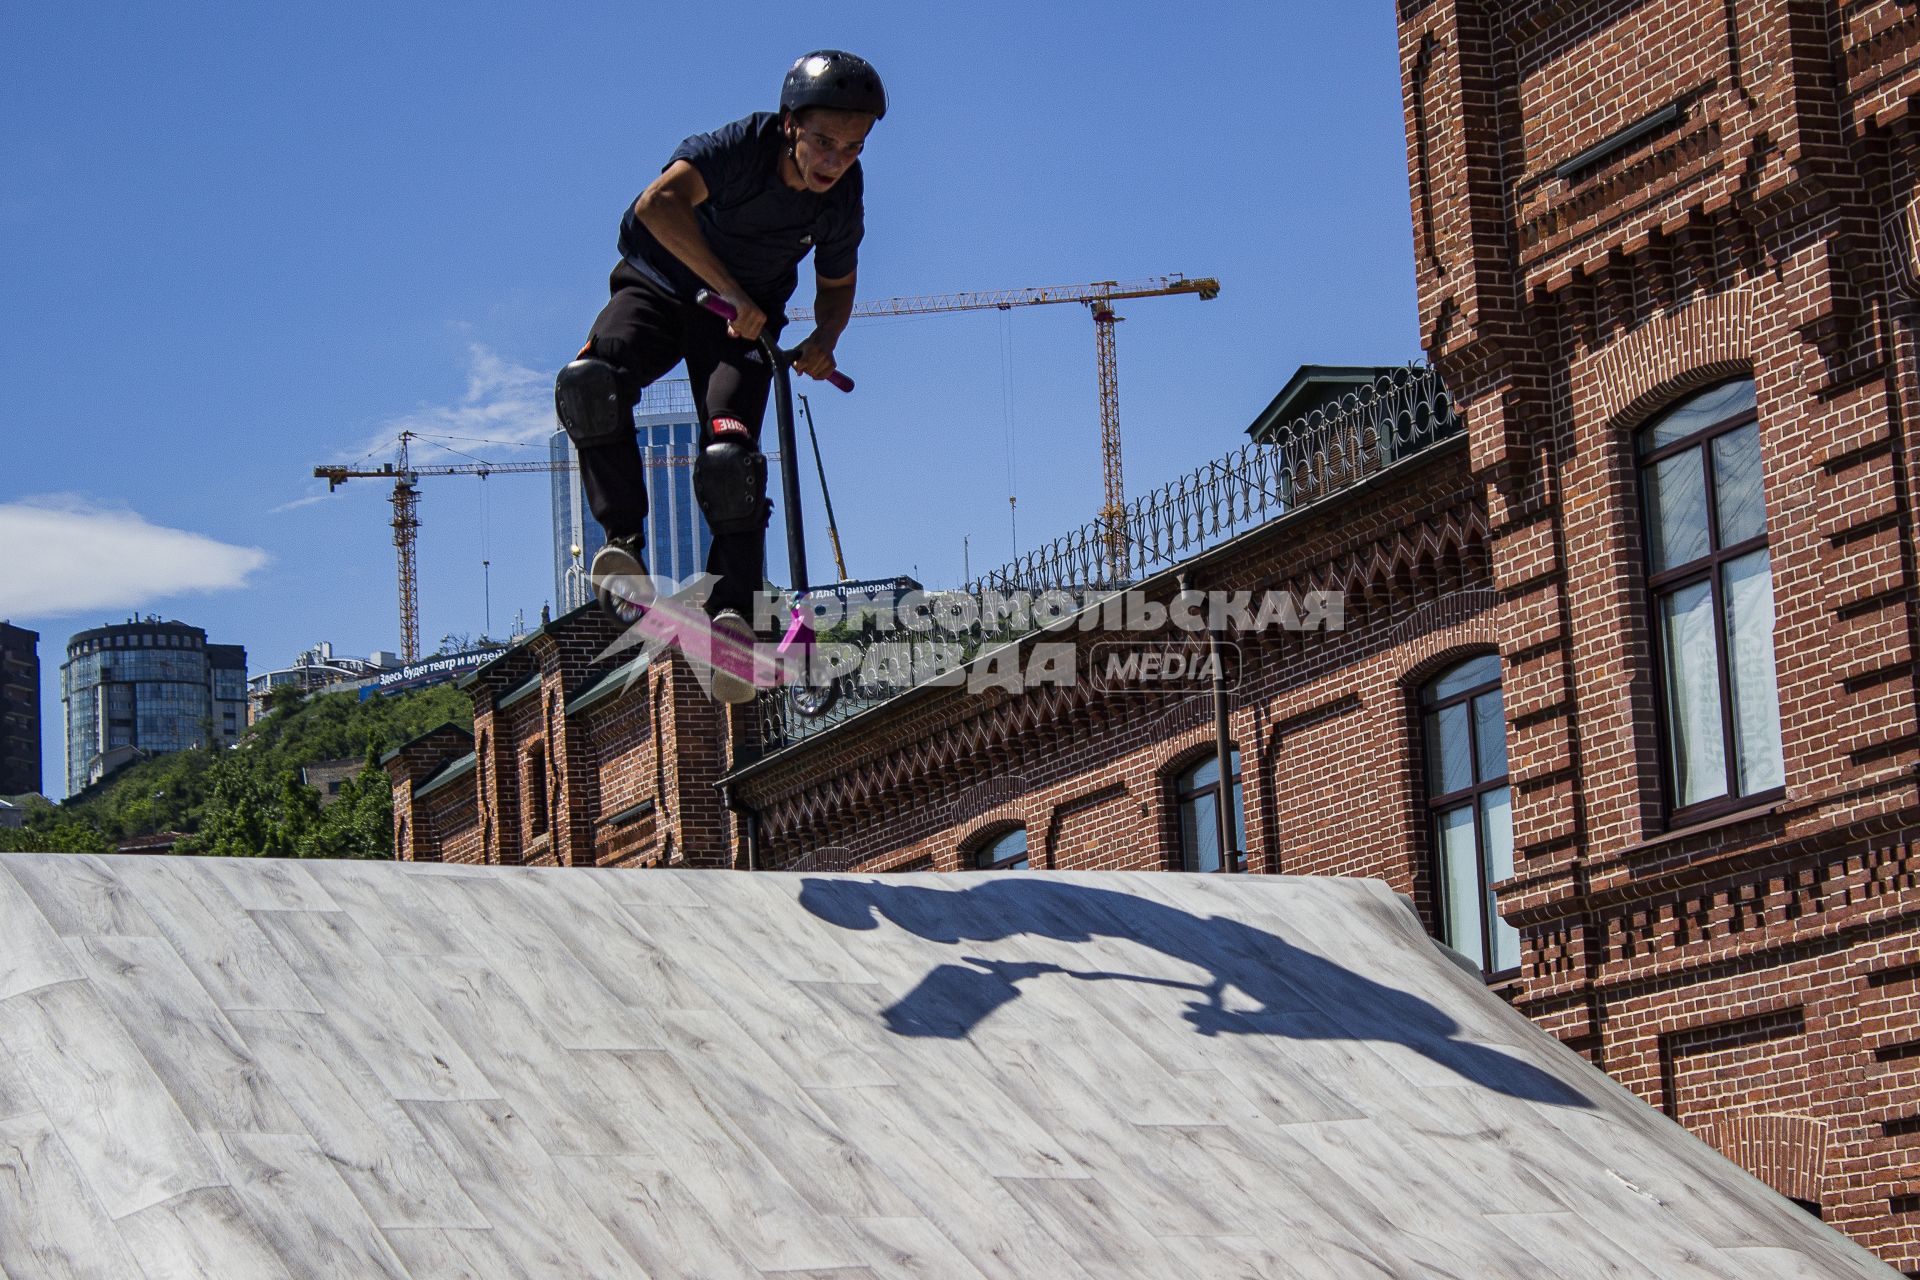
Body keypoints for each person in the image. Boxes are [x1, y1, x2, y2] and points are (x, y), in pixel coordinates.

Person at [553, 50, 885, 699]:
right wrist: (732, 289)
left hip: (742, 327)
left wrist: (825, 338)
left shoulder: (843, 193)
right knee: (590, 383)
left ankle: (732, 606)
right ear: (790, 125)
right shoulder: (739, 148)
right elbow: (658, 205)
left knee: (730, 456)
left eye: (851, 148)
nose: (833, 162)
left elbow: (837, 280)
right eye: (823, 143)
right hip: (658, 289)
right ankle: (623, 538)